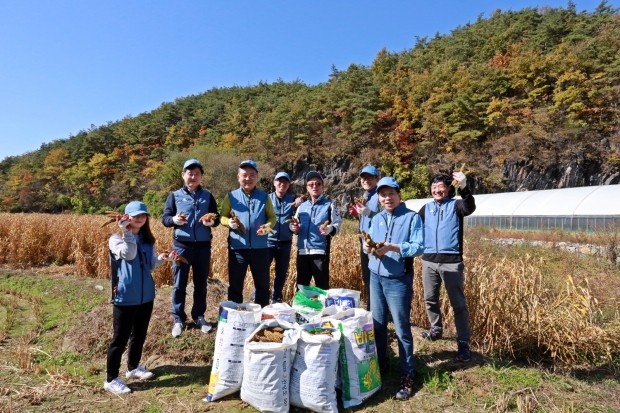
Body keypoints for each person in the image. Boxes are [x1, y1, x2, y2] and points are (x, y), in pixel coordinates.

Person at [363, 177, 424, 401]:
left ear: (399, 195)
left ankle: (407, 375)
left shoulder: (411, 218)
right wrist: (369, 247)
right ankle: (381, 366)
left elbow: (418, 247)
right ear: (378, 198)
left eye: (391, 194)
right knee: (378, 324)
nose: (387, 198)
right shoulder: (377, 218)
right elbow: (367, 242)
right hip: (375, 277)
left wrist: (392, 248)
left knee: (401, 328)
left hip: (397, 280)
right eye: (383, 194)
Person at [105, 201, 165, 394]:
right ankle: (111, 378)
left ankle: (133, 368)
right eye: (135, 215)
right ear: (126, 217)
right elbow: (129, 255)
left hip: (146, 295)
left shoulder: (148, 241)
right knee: (120, 338)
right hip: (125, 296)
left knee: (139, 334)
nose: (140, 218)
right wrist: (127, 233)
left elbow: (150, 267)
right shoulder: (116, 239)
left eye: (143, 215)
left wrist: (163, 259)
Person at [418, 171, 476, 363]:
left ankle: (463, 343)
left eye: (440, 186)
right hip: (428, 261)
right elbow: (414, 227)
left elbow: (470, 207)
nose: (436, 190)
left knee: (458, 304)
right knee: (430, 298)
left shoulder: (456, 205)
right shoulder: (426, 208)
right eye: (433, 187)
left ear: (449, 188)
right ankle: (436, 328)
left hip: (451, 262)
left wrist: (464, 187)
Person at [162, 159, 220, 338]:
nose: (193, 176)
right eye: (189, 173)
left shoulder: (208, 196)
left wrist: (212, 221)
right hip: (181, 247)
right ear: (183, 175)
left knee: (201, 284)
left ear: (201, 176)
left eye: (196, 173)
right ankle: (178, 318)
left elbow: (216, 218)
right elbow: (165, 218)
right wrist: (174, 221)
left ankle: (199, 316)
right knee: (179, 284)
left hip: (203, 247)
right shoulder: (174, 196)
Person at [220, 160, 276, 307]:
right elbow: (222, 216)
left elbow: (272, 217)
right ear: (238, 177)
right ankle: (235, 317)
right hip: (238, 248)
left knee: (262, 286)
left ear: (257, 177)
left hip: (260, 249)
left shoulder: (264, 197)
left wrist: (267, 226)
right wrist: (228, 223)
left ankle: (261, 315)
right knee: (235, 286)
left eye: (252, 175)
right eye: (244, 175)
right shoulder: (231, 196)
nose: (248, 178)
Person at [289, 171, 342, 290]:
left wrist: (330, 229)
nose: (315, 186)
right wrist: (293, 228)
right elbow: (294, 224)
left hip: (320, 252)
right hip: (302, 252)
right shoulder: (302, 206)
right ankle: (301, 308)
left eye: (318, 184)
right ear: (307, 187)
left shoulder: (329, 205)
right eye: (311, 184)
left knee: (322, 287)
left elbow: (338, 224)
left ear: (323, 187)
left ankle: (323, 308)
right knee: (302, 286)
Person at [348, 165, 381, 310]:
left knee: (376, 276)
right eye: (363, 178)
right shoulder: (366, 195)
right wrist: (358, 215)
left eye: (370, 177)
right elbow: (367, 219)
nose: (366, 180)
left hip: (375, 242)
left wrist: (368, 213)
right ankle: (371, 306)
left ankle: (379, 309)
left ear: (377, 179)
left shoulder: (380, 195)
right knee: (367, 276)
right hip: (364, 240)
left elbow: (385, 217)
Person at [267, 171, 302, 303]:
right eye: (279, 181)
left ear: (289, 185)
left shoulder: (292, 199)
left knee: (281, 272)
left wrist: (300, 200)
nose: (282, 184)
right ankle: (260, 294)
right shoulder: (267, 199)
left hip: (285, 242)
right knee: (263, 271)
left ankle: (276, 297)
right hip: (268, 241)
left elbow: (304, 201)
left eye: (285, 182)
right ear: (274, 183)